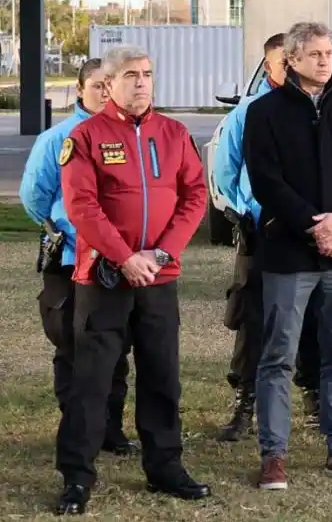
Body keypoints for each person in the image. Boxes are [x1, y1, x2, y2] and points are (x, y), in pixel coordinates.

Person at [54, 45, 211, 514]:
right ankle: (77, 477)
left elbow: (194, 195)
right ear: (109, 84)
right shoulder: (86, 136)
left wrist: (161, 253)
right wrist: (124, 257)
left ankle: (165, 467)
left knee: (162, 375)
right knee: (92, 381)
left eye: (146, 74)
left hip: (159, 278)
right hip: (103, 279)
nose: (141, 82)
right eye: (130, 75)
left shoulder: (173, 133)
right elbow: (81, 206)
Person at [243, 21, 332, 489]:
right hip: (288, 251)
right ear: (292, 60)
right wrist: (312, 223)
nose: (326, 61)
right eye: (317, 54)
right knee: (278, 355)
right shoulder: (264, 113)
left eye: (329, 54)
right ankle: (274, 455)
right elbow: (266, 182)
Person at [21, 59, 137, 459]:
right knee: (71, 342)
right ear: (80, 89)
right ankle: (76, 426)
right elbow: (34, 197)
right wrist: (66, 232)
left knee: (115, 345)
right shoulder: (58, 137)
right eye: (97, 87)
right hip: (72, 259)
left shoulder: (127, 134)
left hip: (118, 260)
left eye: (111, 85)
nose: (105, 93)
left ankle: (112, 427)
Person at [212, 33, 323, 442]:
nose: (290, 70)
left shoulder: (318, 106)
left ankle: (314, 394)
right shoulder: (249, 112)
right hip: (262, 230)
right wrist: (247, 214)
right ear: (271, 65)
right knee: (254, 316)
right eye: (282, 63)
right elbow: (227, 171)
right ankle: (245, 400)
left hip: (309, 230)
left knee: (313, 315)